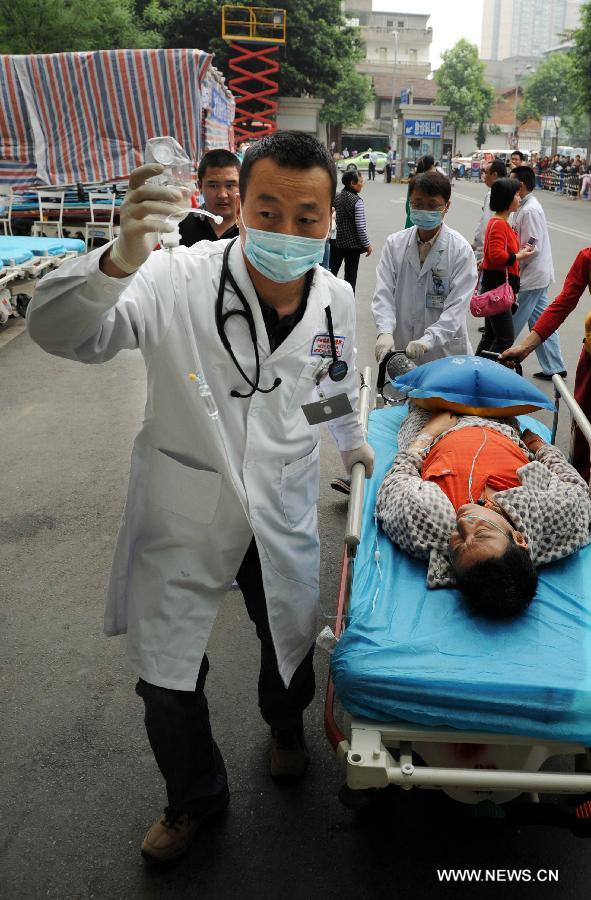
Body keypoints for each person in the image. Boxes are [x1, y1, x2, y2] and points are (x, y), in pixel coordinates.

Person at [26, 130, 374, 865]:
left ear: (329, 220)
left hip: (278, 502)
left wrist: (347, 441)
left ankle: (285, 729)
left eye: (306, 217)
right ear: (236, 204)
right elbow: (63, 332)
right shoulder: (172, 277)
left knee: (287, 637)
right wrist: (118, 260)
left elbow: (330, 390)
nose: (286, 231)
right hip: (187, 500)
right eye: (268, 210)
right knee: (165, 674)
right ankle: (194, 798)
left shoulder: (337, 299)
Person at [376, 405, 591, 617]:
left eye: (458, 545)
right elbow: (577, 488)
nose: (462, 524)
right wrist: (538, 445)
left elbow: (395, 481)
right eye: (481, 533)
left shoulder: (426, 521)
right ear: (519, 538)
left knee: (426, 382)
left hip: (435, 419)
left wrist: (427, 434)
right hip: (499, 419)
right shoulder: (556, 515)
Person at [501, 248, 591, 482]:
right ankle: (579, 488)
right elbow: (563, 303)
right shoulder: (587, 258)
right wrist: (527, 346)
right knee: (582, 429)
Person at [373, 171, 477, 366]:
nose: (424, 210)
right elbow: (384, 293)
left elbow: (456, 308)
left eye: (432, 205)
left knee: (440, 396)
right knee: (400, 394)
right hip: (401, 346)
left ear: (447, 206)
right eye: (417, 204)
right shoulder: (395, 244)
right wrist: (385, 331)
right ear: (409, 203)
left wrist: (428, 340)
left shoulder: (460, 251)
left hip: (444, 353)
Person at [510, 165, 567, 379]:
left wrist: (514, 258)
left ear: (521, 185)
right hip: (535, 274)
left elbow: (532, 244)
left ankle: (496, 357)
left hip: (531, 276)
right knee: (542, 321)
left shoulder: (530, 210)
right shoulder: (523, 206)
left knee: (511, 322)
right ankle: (555, 366)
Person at [475, 178, 536, 356]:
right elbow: (496, 255)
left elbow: (495, 253)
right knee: (504, 339)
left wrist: (519, 251)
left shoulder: (501, 223)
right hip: (498, 288)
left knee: (491, 336)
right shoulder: (499, 224)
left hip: (496, 285)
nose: (519, 198)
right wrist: (519, 255)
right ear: (507, 198)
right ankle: (485, 373)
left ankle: (476, 371)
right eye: (517, 194)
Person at [179, 148, 240, 247]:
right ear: (200, 186)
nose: (222, 195)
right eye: (213, 186)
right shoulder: (182, 225)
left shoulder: (252, 229)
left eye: (230, 185)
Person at [330, 169, 372, 293]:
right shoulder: (357, 201)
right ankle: (348, 304)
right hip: (352, 247)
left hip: (335, 243)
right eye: (360, 182)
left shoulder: (335, 197)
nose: (362, 184)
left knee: (330, 275)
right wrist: (367, 245)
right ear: (352, 183)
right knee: (350, 278)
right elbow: (361, 227)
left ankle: (326, 302)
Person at [472, 158, 507, 260]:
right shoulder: (506, 191)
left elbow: (487, 225)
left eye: (486, 173)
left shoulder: (493, 194)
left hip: (488, 252)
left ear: (494, 175)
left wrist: (483, 252)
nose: (484, 176)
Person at [405, 154, 436, 228]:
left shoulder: (414, 180)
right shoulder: (432, 181)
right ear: (432, 166)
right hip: (426, 224)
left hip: (411, 223)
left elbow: (407, 206)